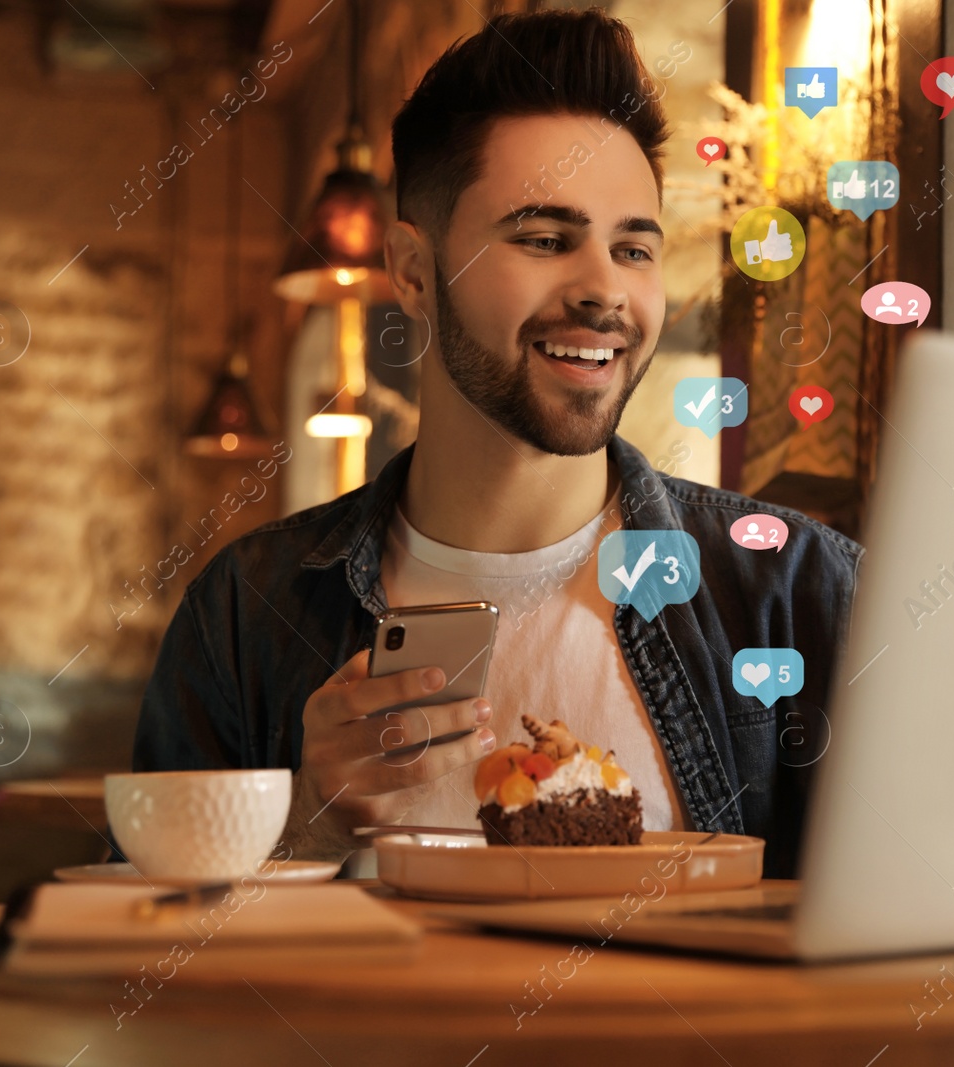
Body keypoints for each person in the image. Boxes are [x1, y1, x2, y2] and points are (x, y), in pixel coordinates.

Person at [132, 8, 862, 879]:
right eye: (545, 240)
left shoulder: (797, 595)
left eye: (634, 249)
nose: (603, 291)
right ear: (411, 272)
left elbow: (909, 955)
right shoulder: (247, 616)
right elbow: (140, 975)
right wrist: (303, 833)